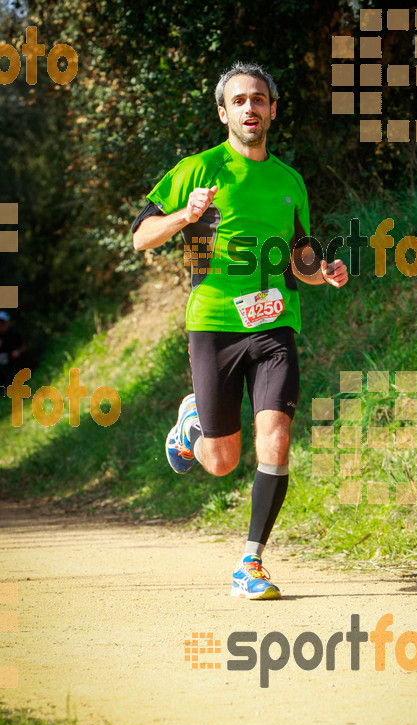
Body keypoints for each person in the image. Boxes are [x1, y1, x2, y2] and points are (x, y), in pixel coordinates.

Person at [132, 62, 348, 600]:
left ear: (272, 110)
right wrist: (185, 214)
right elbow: (141, 238)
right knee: (222, 460)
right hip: (214, 324)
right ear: (224, 112)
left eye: (260, 99)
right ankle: (191, 426)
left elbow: (300, 254)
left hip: (276, 324)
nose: (250, 108)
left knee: (275, 438)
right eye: (239, 100)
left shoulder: (290, 180)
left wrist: (319, 271)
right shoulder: (198, 169)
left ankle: (250, 562)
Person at [0, 311, 26, 386]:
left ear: (8, 322)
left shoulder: (14, 334)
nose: (2, 324)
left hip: (12, 365)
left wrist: (18, 351)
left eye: (3, 322)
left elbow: (23, 347)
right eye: (0, 322)